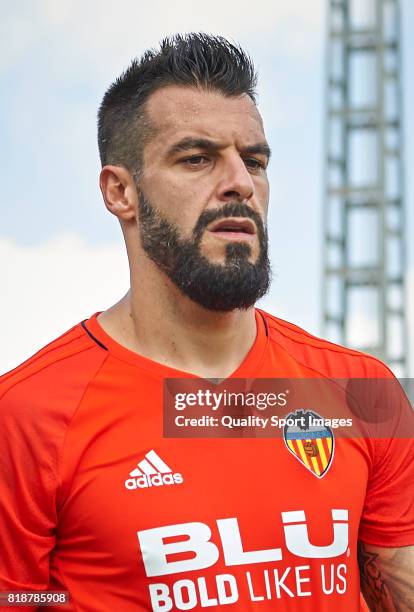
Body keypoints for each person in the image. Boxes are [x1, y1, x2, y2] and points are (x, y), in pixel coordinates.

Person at [0, 33, 413, 612]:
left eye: (254, 160)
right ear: (121, 192)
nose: (240, 181)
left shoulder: (362, 392)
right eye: (196, 158)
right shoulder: (26, 415)